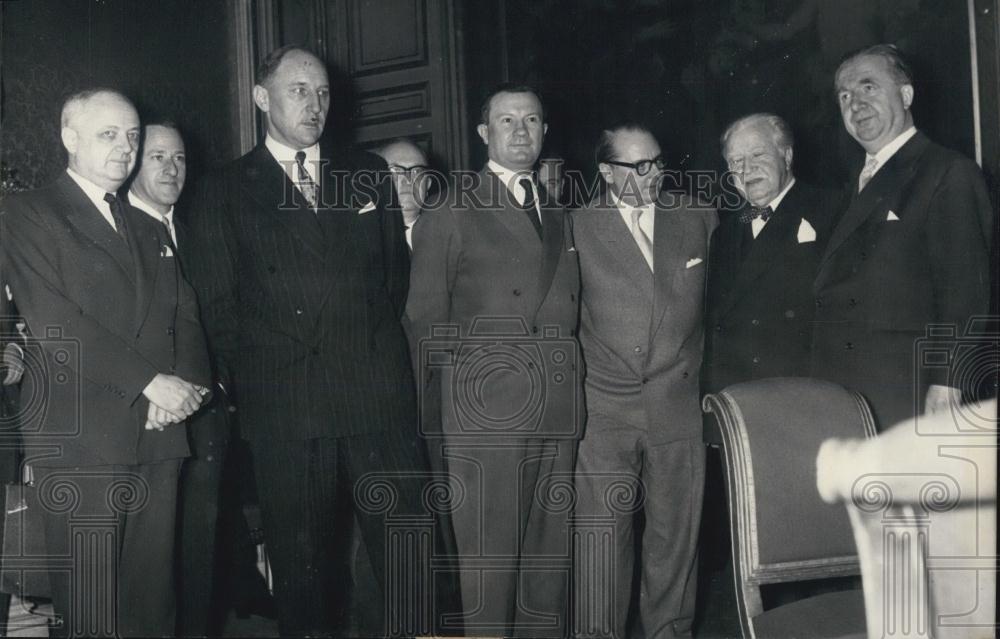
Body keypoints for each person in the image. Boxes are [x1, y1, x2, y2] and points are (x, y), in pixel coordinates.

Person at [185, 46, 450, 636]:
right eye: (299, 90)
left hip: (376, 400)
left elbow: (391, 280)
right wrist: (272, 372)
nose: (315, 103)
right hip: (288, 408)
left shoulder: (369, 173)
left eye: (323, 91)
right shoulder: (222, 192)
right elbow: (220, 310)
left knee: (408, 564)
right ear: (261, 98)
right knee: (304, 580)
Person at [0, 88, 211, 637]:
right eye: (109, 135)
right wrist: (150, 384)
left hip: (158, 435)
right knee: (94, 614)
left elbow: (185, 317)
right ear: (70, 139)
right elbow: (55, 321)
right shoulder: (26, 213)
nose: (126, 148)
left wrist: (184, 393)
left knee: (152, 609)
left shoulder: (146, 226)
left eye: (133, 136)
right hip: (82, 442)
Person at [405, 83, 582, 637]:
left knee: (548, 567)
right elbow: (424, 320)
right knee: (490, 569)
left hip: (558, 410)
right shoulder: (453, 206)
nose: (521, 132)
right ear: (484, 133)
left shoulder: (557, 208)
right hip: (486, 417)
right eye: (507, 121)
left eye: (532, 120)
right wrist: (435, 417)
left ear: (545, 130)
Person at [571, 123, 717, 638]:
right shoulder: (575, 226)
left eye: (657, 161)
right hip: (604, 409)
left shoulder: (698, 215)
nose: (653, 174)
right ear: (606, 172)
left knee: (676, 540)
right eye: (638, 166)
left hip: (678, 402)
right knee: (601, 542)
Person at [812, 44, 993, 429]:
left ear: (906, 95)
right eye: (844, 96)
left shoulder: (947, 172)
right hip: (847, 388)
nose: (855, 104)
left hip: (908, 389)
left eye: (868, 88)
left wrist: (950, 382)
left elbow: (965, 289)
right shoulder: (851, 185)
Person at [126, 122, 233, 636]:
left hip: (206, 415)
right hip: (146, 419)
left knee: (198, 552)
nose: (172, 168)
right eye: (157, 157)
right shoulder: (115, 229)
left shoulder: (202, 229)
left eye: (181, 158)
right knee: (149, 564)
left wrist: (211, 388)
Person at [704, 113, 840, 394]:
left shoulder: (833, 211)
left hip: (805, 394)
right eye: (735, 162)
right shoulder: (724, 234)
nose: (746, 169)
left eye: (757, 154)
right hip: (739, 398)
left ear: (787, 156)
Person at [376, 138, 431, 250]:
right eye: (394, 170)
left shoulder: (449, 235)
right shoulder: (357, 239)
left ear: (428, 184)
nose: (407, 179)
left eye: (417, 171)